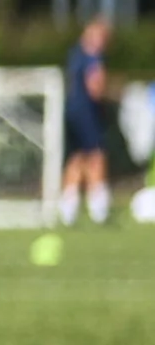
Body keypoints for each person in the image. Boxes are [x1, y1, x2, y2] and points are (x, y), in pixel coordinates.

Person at [59, 15, 112, 227]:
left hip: (70, 111)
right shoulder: (93, 55)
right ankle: (99, 209)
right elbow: (95, 86)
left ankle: (68, 208)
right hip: (87, 113)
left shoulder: (75, 54)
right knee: (97, 156)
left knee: (76, 157)